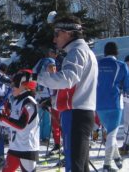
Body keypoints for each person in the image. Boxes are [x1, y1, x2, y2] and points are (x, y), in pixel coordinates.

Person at [34, 15, 97, 172]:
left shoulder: (76, 52)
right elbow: (77, 87)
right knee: (80, 166)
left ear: (69, 33)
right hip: (80, 113)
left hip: (76, 115)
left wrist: (36, 77)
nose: (55, 40)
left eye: (57, 34)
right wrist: (54, 100)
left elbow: (67, 79)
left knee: (74, 166)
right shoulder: (83, 51)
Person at [0, 70, 40, 172]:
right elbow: (11, 122)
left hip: (27, 147)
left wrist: (3, 118)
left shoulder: (29, 102)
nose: (12, 88)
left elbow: (21, 125)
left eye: (15, 84)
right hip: (15, 146)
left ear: (25, 86)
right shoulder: (17, 101)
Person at [96, 42, 129, 172]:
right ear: (117, 52)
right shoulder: (121, 65)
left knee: (111, 134)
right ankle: (107, 165)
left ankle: (117, 159)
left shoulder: (97, 64)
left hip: (99, 104)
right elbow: (127, 87)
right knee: (111, 135)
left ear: (104, 52)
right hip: (115, 103)